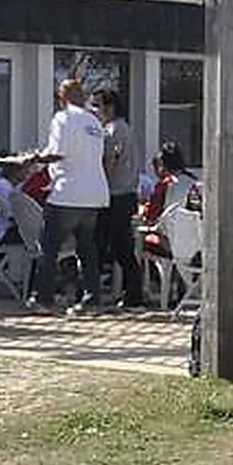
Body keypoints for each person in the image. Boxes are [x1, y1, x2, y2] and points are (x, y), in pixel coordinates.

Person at [30, 78, 109, 315]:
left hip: (68, 193)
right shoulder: (94, 121)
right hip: (95, 193)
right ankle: (92, 300)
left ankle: (44, 299)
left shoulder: (63, 118)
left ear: (61, 97)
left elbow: (57, 153)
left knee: (49, 247)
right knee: (87, 248)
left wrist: (34, 158)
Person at [90, 89, 146, 309]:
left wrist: (96, 185)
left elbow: (109, 162)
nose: (94, 110)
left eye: (97, 105)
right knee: (121, 246)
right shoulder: (124, 128)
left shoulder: (113, 131)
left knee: (102, 244)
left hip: (115, 196)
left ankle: (94, 294)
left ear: (110, 107)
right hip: (125, 194)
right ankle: (133, 293)